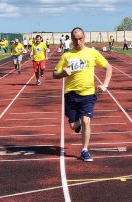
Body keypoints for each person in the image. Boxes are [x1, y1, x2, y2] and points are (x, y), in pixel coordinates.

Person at [53, 27, 112, 162]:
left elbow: (108, 67)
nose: (78, 41)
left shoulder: (92, 53)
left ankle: (84, 150)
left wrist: (105, 85)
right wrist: (62, 73)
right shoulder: (66, 56)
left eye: (80, 39)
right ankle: (77, 124)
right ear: (71, 39)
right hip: (71, 94)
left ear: (84, 38)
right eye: (75, 39)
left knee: (86, 121)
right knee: (73, 126)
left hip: (88, 94)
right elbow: (54, 74)